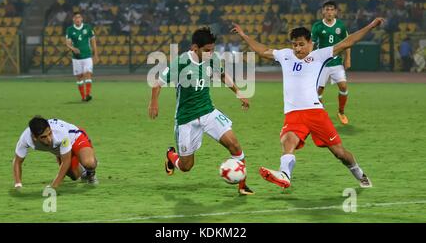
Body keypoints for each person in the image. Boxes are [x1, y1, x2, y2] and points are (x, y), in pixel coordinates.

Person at [231, 17, 385, 189]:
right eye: (294, 45)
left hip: (315, 112)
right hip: (293, 113)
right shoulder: (285, 55)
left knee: (340, 153)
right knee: (288, 141)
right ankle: (285, 174)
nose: (298, 48)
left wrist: (371, 26)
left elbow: (348, 42)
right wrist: (244, 35)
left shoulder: (320, 55)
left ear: (310, 43)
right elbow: (263, 50)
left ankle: (359, 173)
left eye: (301, 44)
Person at [148, 27, 254, 195]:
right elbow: (157, 83)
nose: (211, 53)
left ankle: (243, 186)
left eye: (213, 49)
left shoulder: (212, 59)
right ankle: (171, 155)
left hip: (208, 111)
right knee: (186, 166)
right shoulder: (181, 62)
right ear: (195, 48)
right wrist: (154, 103)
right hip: (186, 118)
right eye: (207, 50)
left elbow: (222, 75)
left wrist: (239, 93)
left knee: (234, 145)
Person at [13, 116, 98, 189]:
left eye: (50, 133)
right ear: (34, 137)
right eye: (44, 137)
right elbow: (17, 161)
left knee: (89, 163)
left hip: (75, 137)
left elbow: (66, 161)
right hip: (62, 149)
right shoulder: (25, 139)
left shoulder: (60, 133)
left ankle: (90, 171)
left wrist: (54, 185)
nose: (49, 139)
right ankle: (81, 168)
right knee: (75, 176)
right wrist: (18, 184)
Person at [311, 0, 351, 125]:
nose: (329, 12)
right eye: (327, 9)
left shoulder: (341, 25)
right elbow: (311, 45)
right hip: (321, 63)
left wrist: (348, 58)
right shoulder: (317, 26)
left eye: (331, 9)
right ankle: (321, 114)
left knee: (343, 86)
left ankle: (341, 111)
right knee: (319, 91)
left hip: (336, 62)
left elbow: (347, 42)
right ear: (323, 12)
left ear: (336, 12)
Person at [65, 12, 99, 102]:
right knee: (79, 77)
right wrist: (73, 48)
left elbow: (93, 42)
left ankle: (88, 94)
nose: (78, 19)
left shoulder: (87, 28)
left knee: (88, 74)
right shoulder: (70, 30)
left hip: (87, 56)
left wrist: (95, 54)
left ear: (82, 19)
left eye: (79, 17)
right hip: (76, 58)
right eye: (76, 17)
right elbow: (67, 43)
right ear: (73, 19)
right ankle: (83, 97)